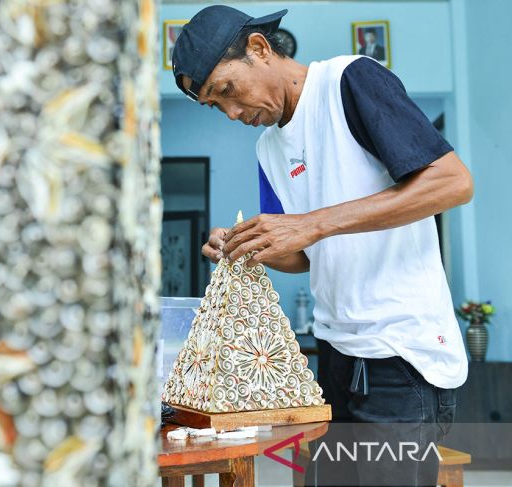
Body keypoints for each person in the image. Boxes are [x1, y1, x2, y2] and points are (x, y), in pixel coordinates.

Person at [171, 5, 471, 486]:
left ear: (260, 49)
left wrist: (312, 223)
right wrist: (250, 246)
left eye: (228, 91)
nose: (231, 113)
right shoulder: (269, 147)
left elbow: (452, 182)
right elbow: (302, 254)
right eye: (214, 105)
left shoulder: (351, 81)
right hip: (336, 356)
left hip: (401, 357)